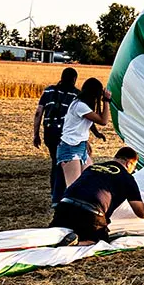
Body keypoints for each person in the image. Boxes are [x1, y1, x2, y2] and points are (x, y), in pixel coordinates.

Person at [50, 147, 144, 245]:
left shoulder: (93, 167)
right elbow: (140, 211)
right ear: (129, 163)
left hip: (65, 205)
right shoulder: (126, 177)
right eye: (133, 167)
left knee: (54, 233)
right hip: (91, 213)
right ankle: (77, 244)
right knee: (99, 241)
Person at [33, 68, 92, 206]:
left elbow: (38, 113)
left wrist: (36, 134)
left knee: (56, 162)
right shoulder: (76, 95)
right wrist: (86, 140)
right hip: (65, 134)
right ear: (74, 80)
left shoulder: (48, 91)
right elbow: (80, 121)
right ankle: (61, 195)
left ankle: (55, 194)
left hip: (49, 132)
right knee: (64, 163)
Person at [57, 78, 111, 188]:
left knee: (89, 181)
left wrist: (86, 141)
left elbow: (84, 125)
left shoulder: (81, 105)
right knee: (73, 187)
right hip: (70, 147)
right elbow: (103, 121)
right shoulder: (80, 106)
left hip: (78, 146)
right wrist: (106, 101)